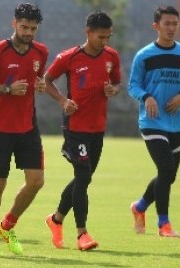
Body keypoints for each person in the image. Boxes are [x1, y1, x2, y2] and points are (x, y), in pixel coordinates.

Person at [44, 11, 121, 251]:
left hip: (97, 127)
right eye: (101, 37)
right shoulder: (69, 57)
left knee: (83, 178)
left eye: (108, 37)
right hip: (75, 126)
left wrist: (113, 90)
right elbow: (46, 80)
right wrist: (63, 101)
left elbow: (117, 82)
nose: (105, 42)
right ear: (87, 32)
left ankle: (56, 219)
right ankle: (82, 234)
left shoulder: (111, 56)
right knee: (84, 176)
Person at [0, 3, 48, 257]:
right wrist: (6, 88)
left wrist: (39, 85)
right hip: (1, 128)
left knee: (36, 182)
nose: (28, 32)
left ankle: (6, 226)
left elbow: (39, 78)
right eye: (24, 27)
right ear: (14, 23)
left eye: (33, 29)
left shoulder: (41, 51)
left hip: (28, 126)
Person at [128, 5, 180, 237]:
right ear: (156, 26)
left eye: (174, 24)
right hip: (152, 121)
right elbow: (133, 85)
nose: (171, 28)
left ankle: (139, 207)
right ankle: (163, 224)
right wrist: (146, 97)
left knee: (169, 175)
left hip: (175, 122)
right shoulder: (144, 56)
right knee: (166, 168)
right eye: (166, 24)